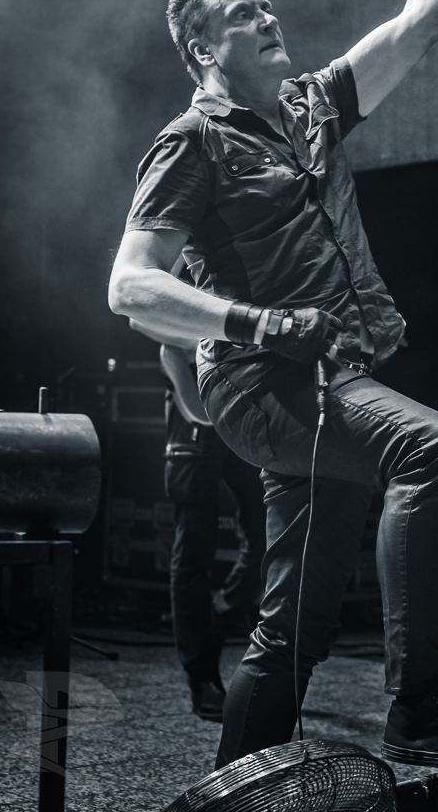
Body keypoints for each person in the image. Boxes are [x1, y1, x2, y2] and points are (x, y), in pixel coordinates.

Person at [108, 0, 438, 772]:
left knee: (290, 629)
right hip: (264, 385)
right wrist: (258, 323)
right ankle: (420, 704)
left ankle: (235, 790)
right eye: (241, 14)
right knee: (430, 447)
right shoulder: (192, 143)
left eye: (265, 6)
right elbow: (130, 286)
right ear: (203, 51)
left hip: (327, 380)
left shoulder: (311, 108)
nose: (267, 17)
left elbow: (417, 22)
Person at [130, 264, 266, 722]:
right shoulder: (181, 249)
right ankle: (201, 674)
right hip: (196, 409)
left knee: (268, 533)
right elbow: (138, 315)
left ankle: (226, 608)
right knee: (194, 549)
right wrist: (200, 343)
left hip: (243, 405)